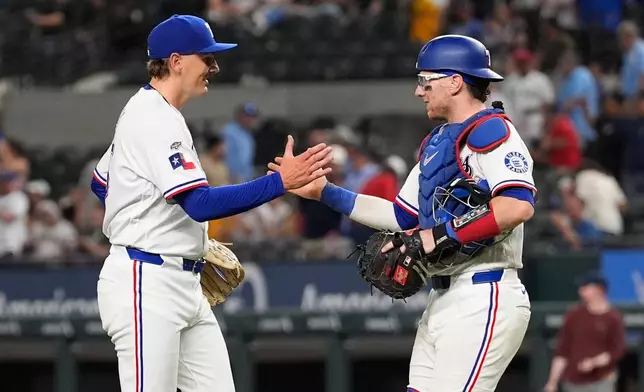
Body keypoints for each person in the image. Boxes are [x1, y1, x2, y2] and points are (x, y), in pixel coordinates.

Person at [270, 35, 535, 391]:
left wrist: (437, 236)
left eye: (426, 81)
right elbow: (401, 216)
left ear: (455, 82)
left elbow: (516, 205)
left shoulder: (493, 132)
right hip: (443, 295)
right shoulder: (439, 142)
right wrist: (324, 193)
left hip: (485, 291)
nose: (418, 91)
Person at [89, 14, 332, 392]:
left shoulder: (150, 112)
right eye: (207, 57)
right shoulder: (153, 119)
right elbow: (199, 204)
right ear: (176, 61)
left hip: (182, 282)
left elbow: (102, 181)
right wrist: (280, 183)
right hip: (146, 281)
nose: (214, 67)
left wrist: (167, 229)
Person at [544, 272, 625, 392]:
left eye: (586, 287)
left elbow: (616, 351)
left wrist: (594, 363)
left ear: (599, 290)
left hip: (601, 381)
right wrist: (552, 382)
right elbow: (562, 352)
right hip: (573, 382)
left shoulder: (613, 318)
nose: (581, 291)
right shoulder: (574, 316)